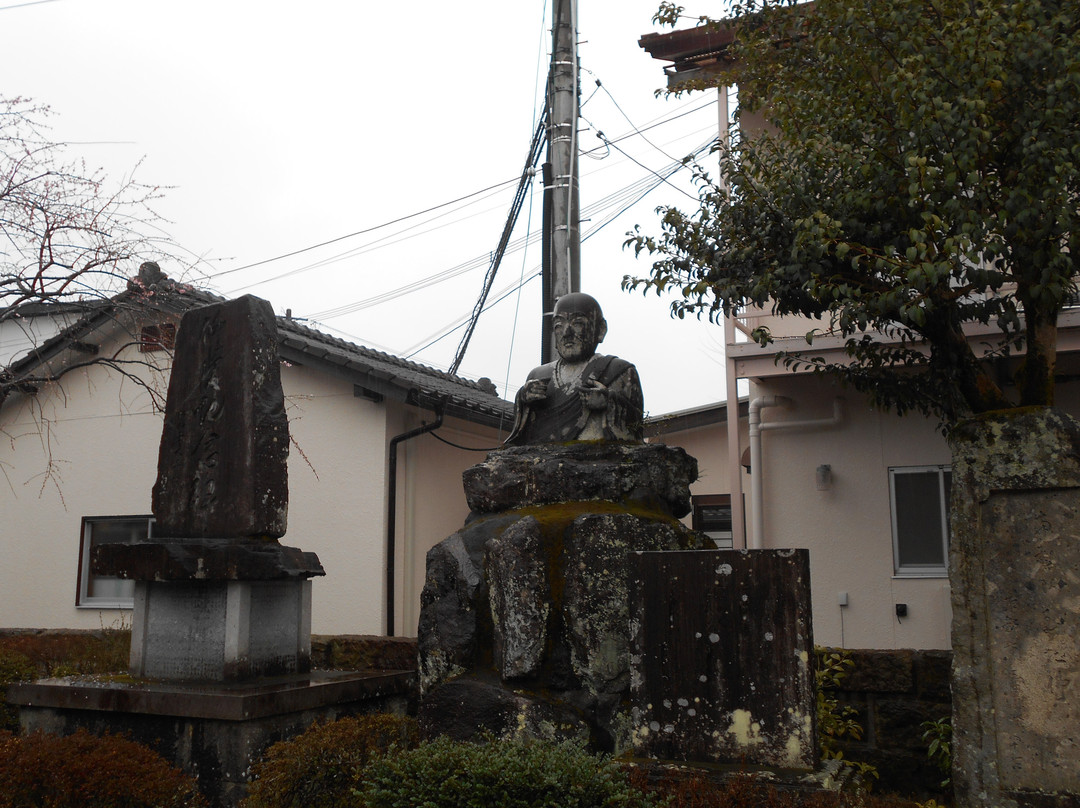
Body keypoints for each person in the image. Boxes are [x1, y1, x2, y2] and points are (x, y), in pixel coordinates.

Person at [506, 293, 644, 445]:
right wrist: (524, 399)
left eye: (577, 323)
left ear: (601, 329)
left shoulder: (617, 370)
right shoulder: (539, 374)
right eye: (559, 325)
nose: (567, 333)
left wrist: (609, 402)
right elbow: (524, 434)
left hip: (595, 457)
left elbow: (635, 428)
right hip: (543, 456)